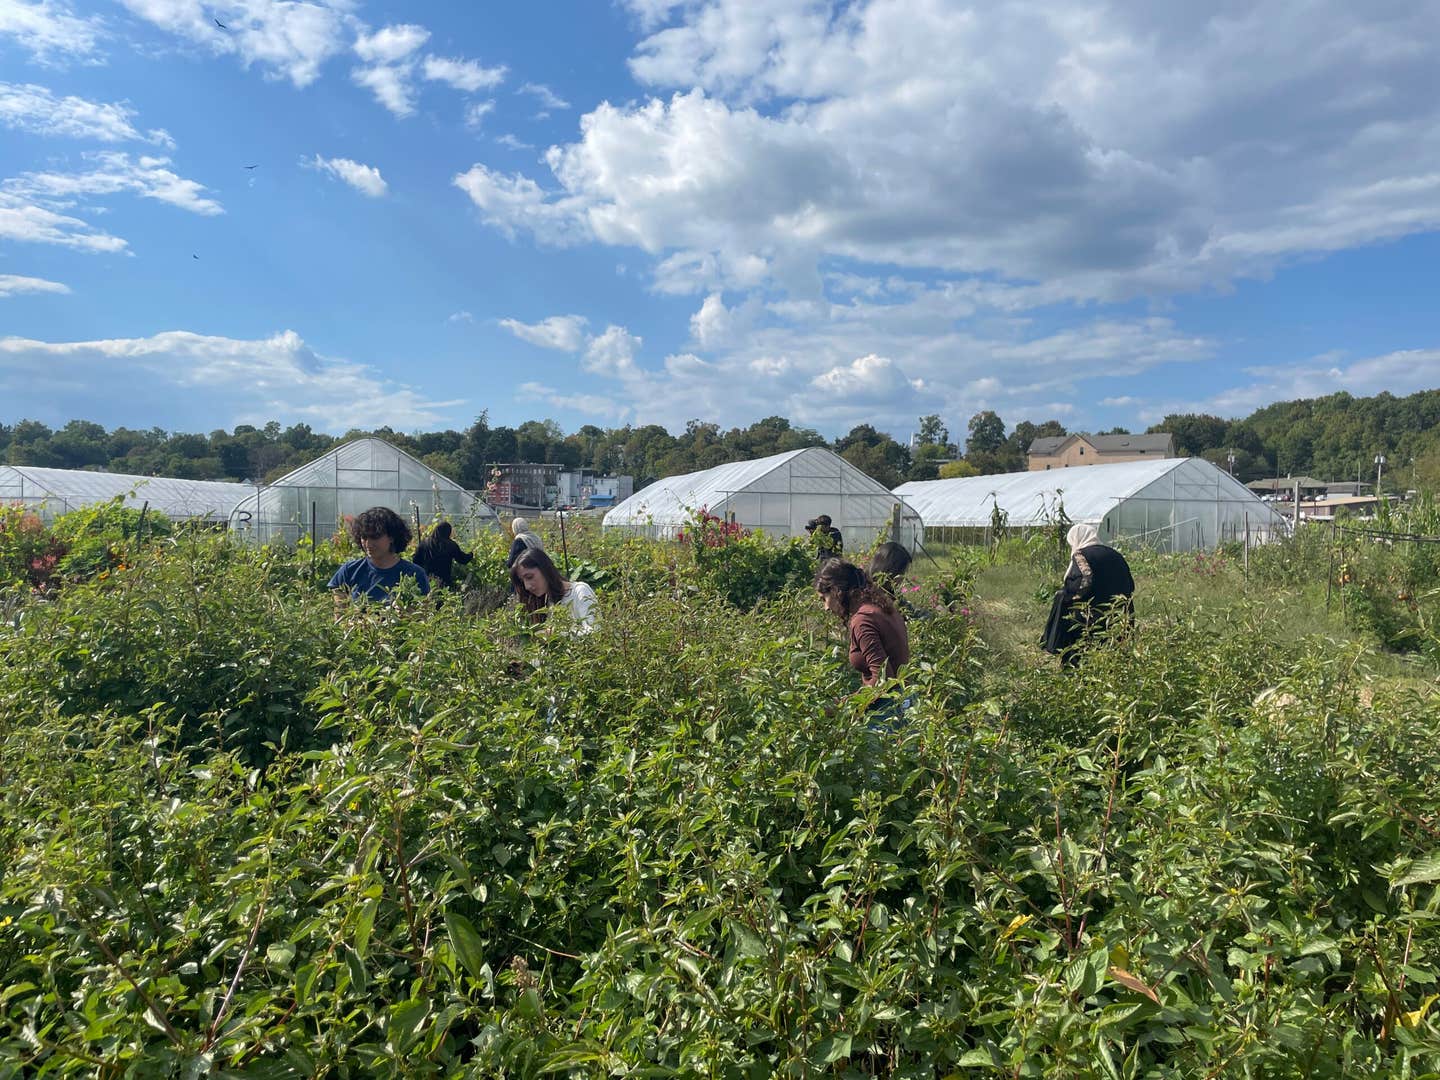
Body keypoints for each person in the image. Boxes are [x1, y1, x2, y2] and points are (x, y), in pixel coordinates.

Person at [1042, 522, 1135, 667]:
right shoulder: (1115, 555)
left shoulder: (1082, 555)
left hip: (1089, 617)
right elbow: (1130, 584)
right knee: (1113, 656)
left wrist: (1065, 595)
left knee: (1082, 657)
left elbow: (1081, 584)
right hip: (1118, 615)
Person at [816, 559, 909, 695]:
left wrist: (845, 705)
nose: (826, 608)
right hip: (905, 700)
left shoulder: (862, 620)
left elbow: (884, 680)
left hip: (887, 709)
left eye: (824, 599)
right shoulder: (881, 608)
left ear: (836, 590)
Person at [329, 506, 430, 604]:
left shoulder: (414, 574)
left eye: (375, 537)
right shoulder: (349, 572)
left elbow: (423, 615)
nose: (368, 544)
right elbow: (340, 616)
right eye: (364, 537)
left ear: (392, 537)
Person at [510, 547, 597, 632]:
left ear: (545, 569)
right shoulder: (547, 602)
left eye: (529, 577)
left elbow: (595, 632)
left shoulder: (579, 591)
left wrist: (556, 634)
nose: (527, 586)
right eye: (522, 581)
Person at [411, 520, 473, 589]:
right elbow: (463, 559)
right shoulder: (451, 545)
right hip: (445, 582)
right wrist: (471, 554)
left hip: (427, 581)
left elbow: (416, 561)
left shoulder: (424, 543)